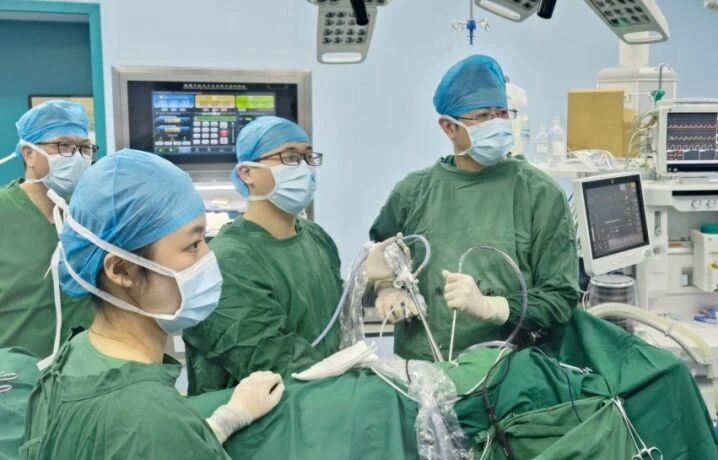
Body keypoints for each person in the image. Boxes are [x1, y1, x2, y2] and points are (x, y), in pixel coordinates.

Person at [20, 149, 284, 459]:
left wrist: (224, 421)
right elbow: (146, 433)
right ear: (122, 270)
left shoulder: (77, 356)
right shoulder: (150, 418)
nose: (209, 257)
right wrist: (178, 437)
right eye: (193, 245)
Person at [369, 55, 579, 360]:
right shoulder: (412, 192)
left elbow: (561, 297)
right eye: (482, 116)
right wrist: (388, 288)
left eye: (502, 113)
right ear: (448, 127)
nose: (496, 123)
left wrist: (494, 307)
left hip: (509, 367)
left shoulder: (541, 194)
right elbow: (383, 254)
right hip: (424, 366)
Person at [183, 116, 342, 395]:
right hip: (262, 416)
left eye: (307, 157)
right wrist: (351, 383)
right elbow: (270, 361)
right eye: (289, 157)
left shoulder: (316, 237)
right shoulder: (229, 261)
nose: (303, 167)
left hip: (322, 402)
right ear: (247, 173)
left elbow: (329, 320)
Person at [0, 101, 96, 359]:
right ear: (29, 154)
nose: (76, 156)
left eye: (84, 148)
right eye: (63, 145)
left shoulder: (88, 213)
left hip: (81, 369)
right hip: (16, 374)